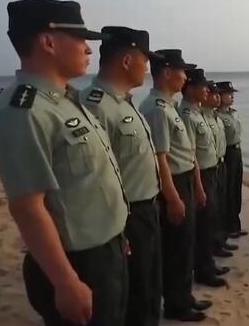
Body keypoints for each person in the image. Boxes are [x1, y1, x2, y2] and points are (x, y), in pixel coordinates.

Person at [0, 0, 128, 325]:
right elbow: (27, 208)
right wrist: (65, 282)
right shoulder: (22, 112)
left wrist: (115, 233)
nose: (88, 49)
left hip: (106, 251)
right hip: (76, 264)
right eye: (80, 39)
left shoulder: (64, 100)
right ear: (48, 42)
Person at [81, 26, 164, 326]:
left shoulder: (123, 102)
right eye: (145, 60)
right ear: (127, 60)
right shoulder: (95, 105)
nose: (148, 68)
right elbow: (94, 178)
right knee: (134, 294)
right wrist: (117, 228)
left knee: (149, 284)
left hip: (147, 208)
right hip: (126, 215)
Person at [138, 49, 210, 322]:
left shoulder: (168, 107)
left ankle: (183, 296)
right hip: (174, 183)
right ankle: (177, 305)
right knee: (176, 248)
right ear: (167, 73)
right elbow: (160, 159)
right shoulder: (156, 109)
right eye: (182, 72)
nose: (185, 77)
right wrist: (172, 197)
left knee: (185, 243)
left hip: (184, 179)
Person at [178, 69, 228, 287]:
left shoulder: (197, 114)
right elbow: (191, 154)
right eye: (203, 87)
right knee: (202, 225)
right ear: (190, 89)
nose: (207, 91)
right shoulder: (187, 115)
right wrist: (198, 185)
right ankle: (203, 269)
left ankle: (208, 264)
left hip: (211, 170)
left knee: (209, 221)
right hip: (200, 174)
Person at [203, 83, 238, 254]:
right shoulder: (203, 116)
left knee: (222, 201)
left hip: (221, 160)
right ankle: (215, 243)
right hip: (209, 166)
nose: (217, 98)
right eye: (215, 94)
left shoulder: (217, 116)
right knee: (212, 207)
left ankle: (222, 237)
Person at [215, 81, 247, 239]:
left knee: (236, 188)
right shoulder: (217, 116)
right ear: (219, 95)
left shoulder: (233, 113)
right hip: (227, 153)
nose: (232, 96)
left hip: (236, 151)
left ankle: (235, 224)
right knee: (227, 190)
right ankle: (227, 226)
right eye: (228, 94)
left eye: (232, 94)